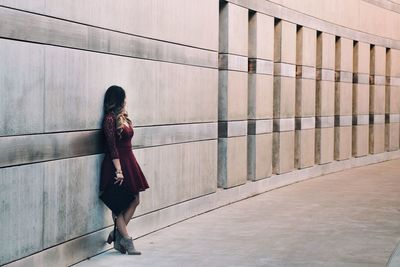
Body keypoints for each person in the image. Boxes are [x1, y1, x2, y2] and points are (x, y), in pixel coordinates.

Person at [99, 85, 149, 255]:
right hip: (116, 164)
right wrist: (118, 171)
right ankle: (127, 241)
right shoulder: (109, 120)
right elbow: (112, 147)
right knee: (117, 206)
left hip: (129, 162)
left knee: (135, 199)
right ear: (117, 100)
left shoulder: (122, 118)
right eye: (123, 98)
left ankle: (117, 233)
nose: (125, 101)